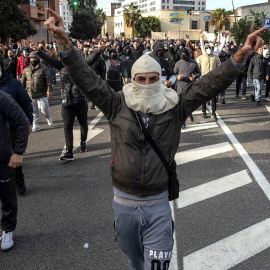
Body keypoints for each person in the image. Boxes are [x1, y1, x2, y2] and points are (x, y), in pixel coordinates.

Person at [44, 9, 266, 270]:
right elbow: (85, 77)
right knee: (135, 263)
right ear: (133, 80)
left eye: (153, 79)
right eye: (141, 79)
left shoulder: (175, 107)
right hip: (123, 205)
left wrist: (242, 54)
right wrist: (63, 41)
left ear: (160, 80)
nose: (147, 84)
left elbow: (210, 84)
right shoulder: (116, 104)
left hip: (159, 205)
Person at [0, 90, 29, 251]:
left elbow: (22, 121)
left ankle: (8, 230)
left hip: (2, 160)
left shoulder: (2, 97)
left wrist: (18, 152)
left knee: (7, 199)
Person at [0, 56, 33, 195]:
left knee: (13, 162)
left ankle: (19, 183)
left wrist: (30, 122)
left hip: (12, 130)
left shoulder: (13, 84)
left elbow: (26, 103)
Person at [21, 51, 53, 132]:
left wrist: (49, 90)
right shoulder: (26, 70)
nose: (33, 59)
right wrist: (21, 92)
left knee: (43, 108)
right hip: (30, 94)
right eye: (31, 58)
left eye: (35, 58)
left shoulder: (43, 68)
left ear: (38, 59)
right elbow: (22, 82)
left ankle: (48, 117)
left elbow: (49, 79)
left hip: (41, 94)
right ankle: (36, 125)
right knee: (34, 111)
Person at [197, 44, 221, 120]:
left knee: (213, 98)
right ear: (204, 49)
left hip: (213, 79)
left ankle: (213, 113)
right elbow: (197, 68)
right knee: (204, 97)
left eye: (209, 48)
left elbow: (219, 66)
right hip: (204, 79)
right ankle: (203, 112)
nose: (208, 49)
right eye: (207, 48)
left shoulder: (215, 57)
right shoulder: (201, 58)